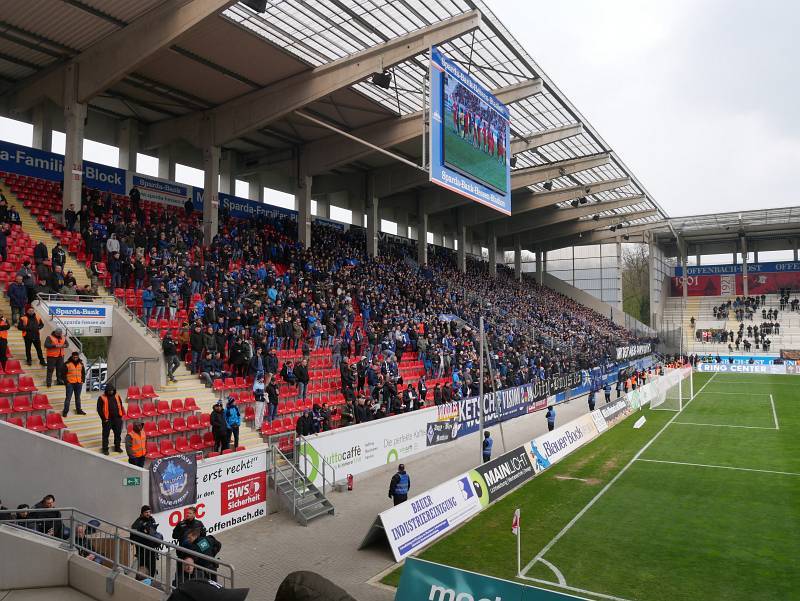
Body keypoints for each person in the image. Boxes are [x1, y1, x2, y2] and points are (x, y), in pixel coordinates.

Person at [130, 505, 162, 578]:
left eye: (149, 512)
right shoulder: (137, 523)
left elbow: (153, 533)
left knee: (152, 568)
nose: (148, 514)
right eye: (146, 512)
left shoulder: (151, 519)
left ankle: (150, 582)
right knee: (142, 570)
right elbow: (133, 537)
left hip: (151, 549)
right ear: (142, 513)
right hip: (142, 550)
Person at [97, 384, 125, 455]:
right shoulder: (101, 398)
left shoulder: (117, 396)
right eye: (109, 391)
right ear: (106, 391)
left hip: (117, 419)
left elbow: (120, 405)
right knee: (106, 435)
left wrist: (121, 416)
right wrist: (104, 419)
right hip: (107, 420)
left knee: (118, 434)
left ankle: (117, 447)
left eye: (112, 390)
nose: (111, 392)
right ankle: (105, 449)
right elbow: (99, 410)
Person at [63, 351, 86, 416]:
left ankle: (79, 410)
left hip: (79, 383)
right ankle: (65, 411)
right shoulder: (67, 364)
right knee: (68, 398)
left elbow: (83, 373)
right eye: (74, 357)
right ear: (72, 357)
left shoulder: (81, 364)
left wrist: (82, 380)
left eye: (76, 357)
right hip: (70, 383)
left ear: (78, 357)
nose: (75, 358)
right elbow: (63, 374)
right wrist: (66, 382)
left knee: (78, 397)